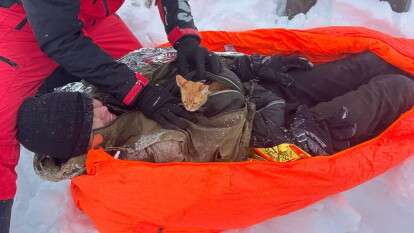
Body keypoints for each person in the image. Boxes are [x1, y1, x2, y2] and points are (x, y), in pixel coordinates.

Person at [16, 51, 414, 179]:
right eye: (92, 115)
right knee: (393, 92)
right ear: (81, 137)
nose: (100, 106)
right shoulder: (128, 158)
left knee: (365, 64)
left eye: (92, 103)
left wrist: (253, 66)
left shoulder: (115, 94)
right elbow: (212, 156)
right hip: (275, 137)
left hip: (259, 94)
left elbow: (184, 64)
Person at [0, 1, 220, 232]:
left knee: (149, 75)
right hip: (19, 29)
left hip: (89, 19)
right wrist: (136, 92)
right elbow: (60, 38)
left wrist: (185, 39)